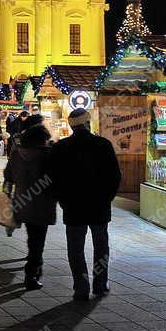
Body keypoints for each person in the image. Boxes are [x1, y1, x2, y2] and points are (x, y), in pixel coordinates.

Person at [48, 108, 122, 301]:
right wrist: (107, 198)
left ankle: (81, 287)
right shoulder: (103, 144)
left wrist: (63, 201)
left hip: (73, 207)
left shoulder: (61, 147)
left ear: (72, 126)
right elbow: (115, 176)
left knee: (75, 249)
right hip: (99, 206)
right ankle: (100, 284)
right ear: (88, 123)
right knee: (101, 245)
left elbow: (53, 179)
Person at [3, 123, 55, 289]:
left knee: (33, 239)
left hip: (22, 202)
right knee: (37, 241)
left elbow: (8, 175)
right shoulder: (47, 156)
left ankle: (33, 270)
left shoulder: (17, 154)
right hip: (42, 204)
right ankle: (31, 274)